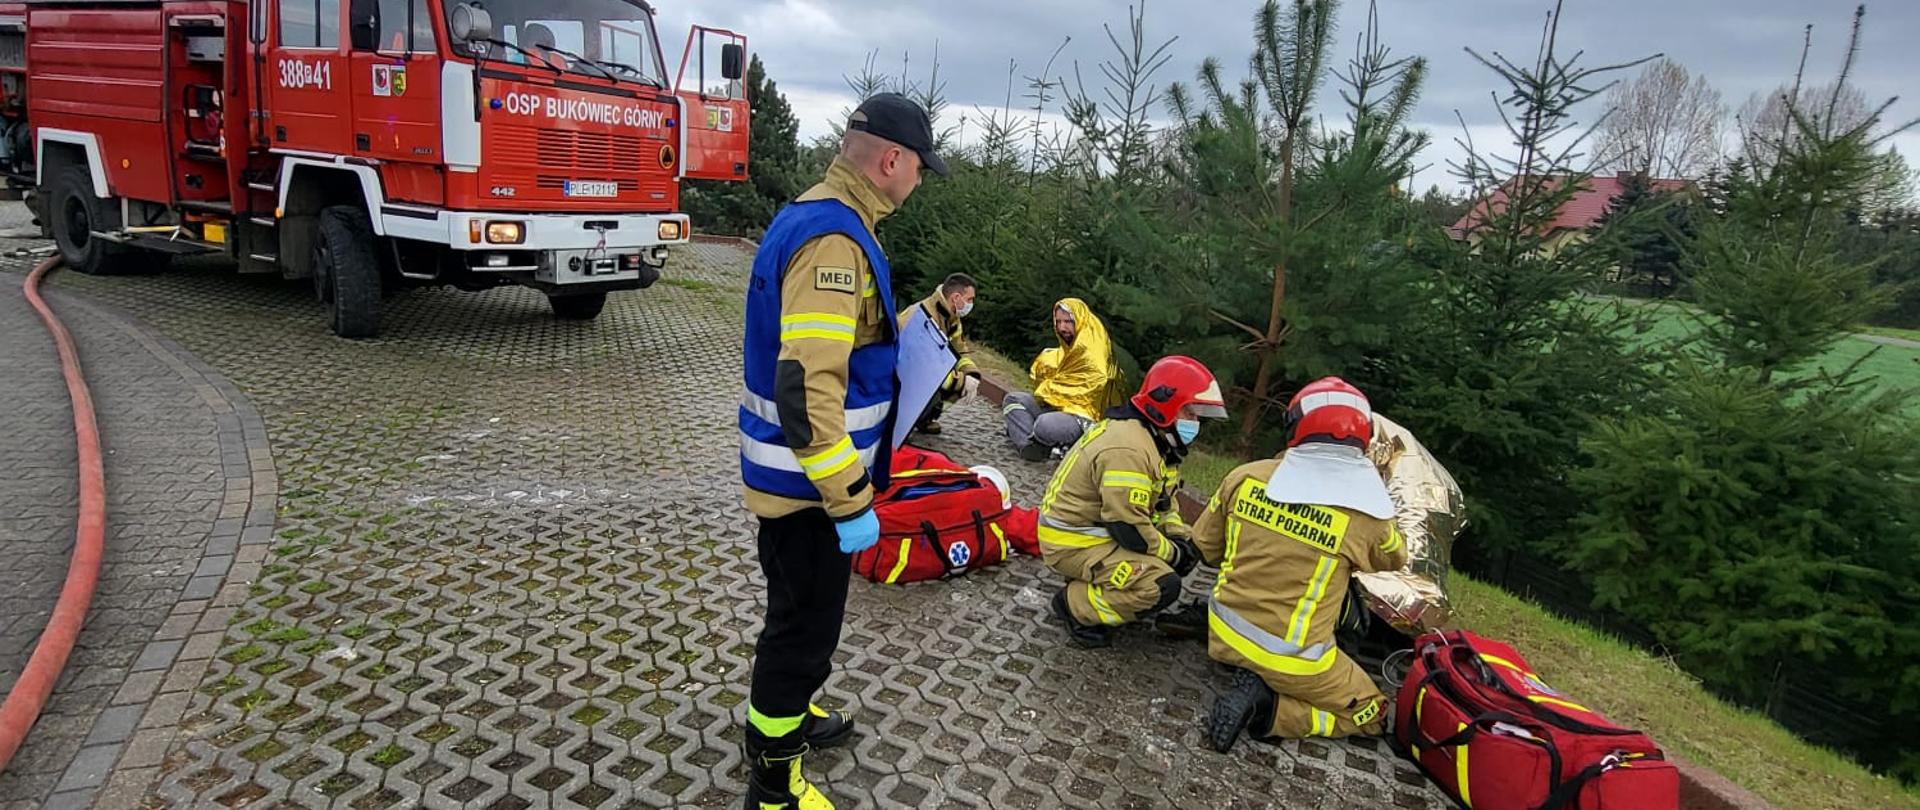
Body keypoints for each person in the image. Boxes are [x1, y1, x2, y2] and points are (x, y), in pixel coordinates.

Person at [736, 92, 946, 809]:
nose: (920, 179)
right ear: (891, 160)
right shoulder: (836, 240)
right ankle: (774, 784)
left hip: (799, 480)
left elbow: (835, 342)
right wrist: (851, 499)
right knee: (802, 634)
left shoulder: (817, 214)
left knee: (797, 620)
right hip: (809, 489)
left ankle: (788, 715)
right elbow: (805, 388)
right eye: (920, 166)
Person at [1188, 377, 1409, 751]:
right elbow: (1395, 557)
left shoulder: (1244, 477)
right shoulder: (1367, 519)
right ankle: (1269, 710)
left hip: (1222, 633)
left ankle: (1254, 672)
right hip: (1294, 660)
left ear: (1294, 428)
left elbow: (1206, 548)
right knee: (1372, 713)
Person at [1037, 356, 1229, 647]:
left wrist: (1180, 537)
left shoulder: (1155, 440)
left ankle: (1099, 583)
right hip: (1074, 542)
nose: (1195, 423)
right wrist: (1174, 554)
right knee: (1161, 585)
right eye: (1190, 413)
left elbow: (1164, 505)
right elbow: (1128, 528)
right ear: (1165, 405)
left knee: (1171, 556)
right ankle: (1075, 605)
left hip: (1094, 531)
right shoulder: (1129, 450)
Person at [1002, 298, 1117, 461]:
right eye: (1058, 322)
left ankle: (1039, 439)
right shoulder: (1067, 352)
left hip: (1080, 417)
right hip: (1055, 408)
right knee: (1013, 399)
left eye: (1068, 322)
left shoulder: (1094, 355)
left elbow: (1090, 389)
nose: (1062, 327)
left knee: (1044, 424)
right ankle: (1029, 445)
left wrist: (1048, 388)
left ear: (1080, 321)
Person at [896, 273, 980, 436]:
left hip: (918, 372)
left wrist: (971, 373)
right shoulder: (925, 317)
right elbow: (926, 369)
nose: (971, 304)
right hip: (901, 375)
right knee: (954, 385)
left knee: (959, 385)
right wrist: (962, 381)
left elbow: (959, 350)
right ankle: (904, 419)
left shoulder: (952, 317)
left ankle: (924, 417)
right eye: (969, 299)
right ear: (956, 297)